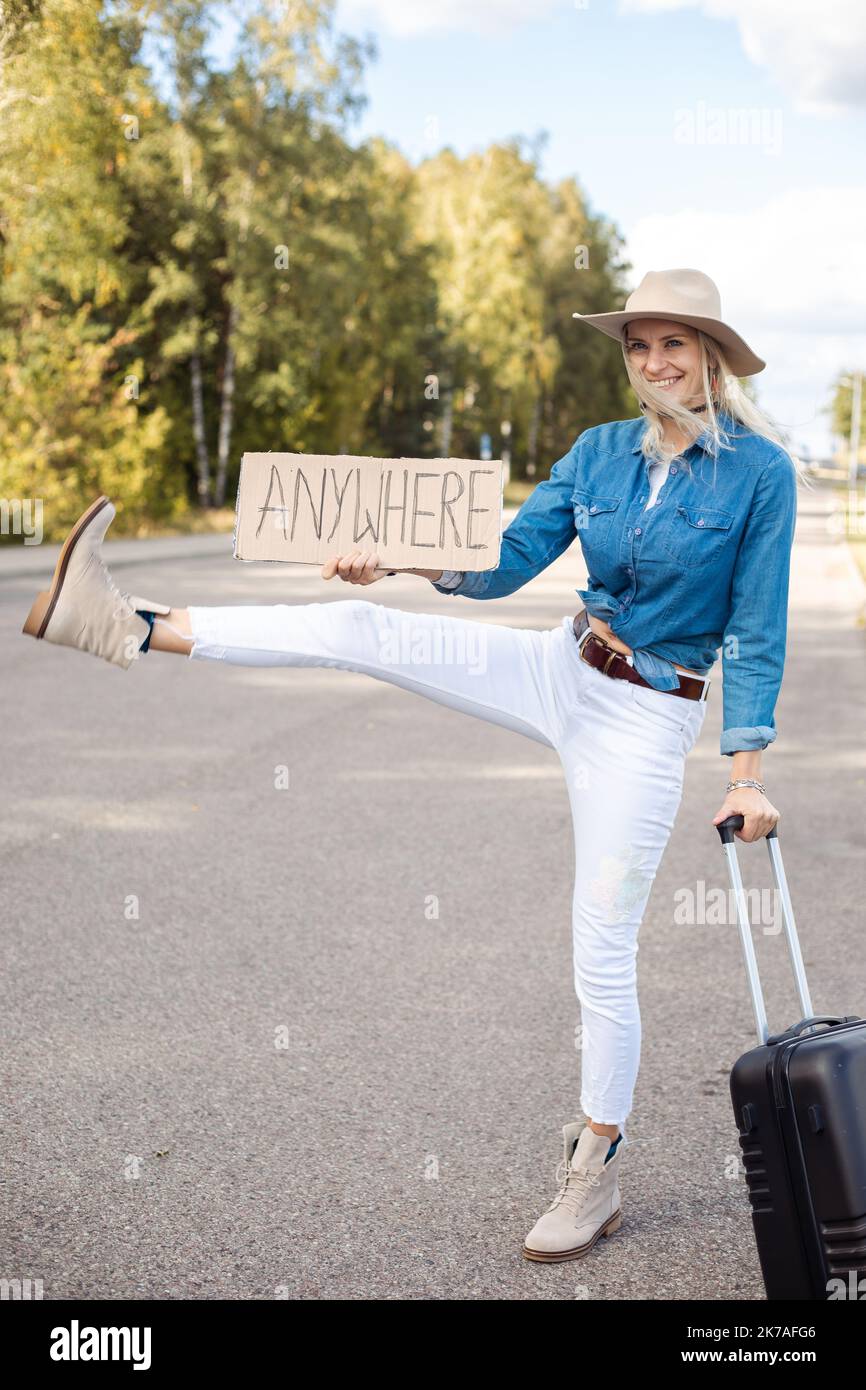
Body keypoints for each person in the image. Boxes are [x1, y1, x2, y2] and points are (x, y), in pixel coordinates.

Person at [22, 268, 803, 1264]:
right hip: (560, 664)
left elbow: (755, 625)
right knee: (358, 624)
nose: (652, 362)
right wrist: (396, 553)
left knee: (598, 941)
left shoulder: (758, 475)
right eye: (637, 343)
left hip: (646, 720)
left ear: (711, 357)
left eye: (672, 344)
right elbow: (506, 560)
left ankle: (591, 1166)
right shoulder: (596, 452)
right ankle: (122, 625)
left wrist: (744, 771)